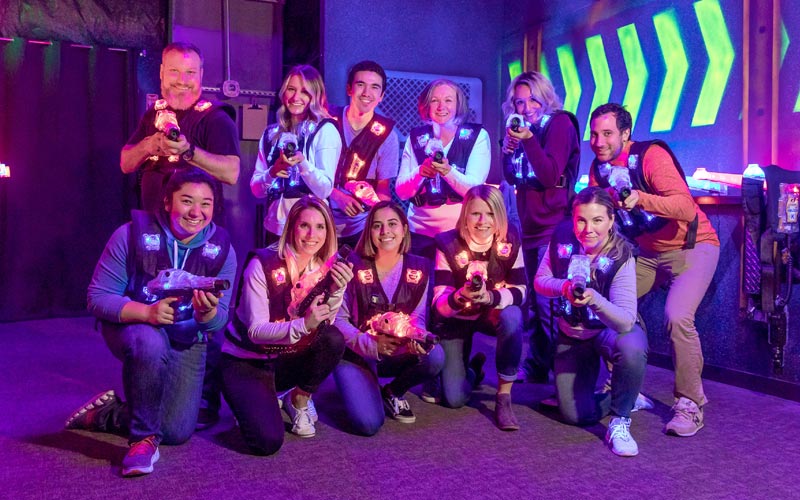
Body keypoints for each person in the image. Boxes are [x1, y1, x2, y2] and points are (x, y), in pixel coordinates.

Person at [66, 168, 237, 476]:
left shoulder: (223, 249)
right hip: (134, 327)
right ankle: (142, 440)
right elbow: (98, 297)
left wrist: (207, 315)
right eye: (187, 201)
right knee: (150, 340)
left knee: (175, 431)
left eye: (206, 204)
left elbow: (220, 318)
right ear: (168, 202)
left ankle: (110, 414)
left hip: (187, 336)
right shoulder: (130, 234)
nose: (196, 212)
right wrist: (146, 313)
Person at [588, 103, 720, 437]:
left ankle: (690, 405)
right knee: (605, 305)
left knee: (677, 316)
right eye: (594, 134)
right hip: (647, 253)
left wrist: (640, 199)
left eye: (607, 134)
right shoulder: (598, 170)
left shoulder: (650, 157)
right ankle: (626, 386)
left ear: (625, 134)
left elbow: (685, 207)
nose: (598, 141)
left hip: (693, 247)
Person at [221, 196, 353, 455]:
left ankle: (298, 397)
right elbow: (256, 332)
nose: (312, 235)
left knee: (333, 339)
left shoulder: (325, 266)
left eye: (321, 227)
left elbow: (325, 324)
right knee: (267, 442)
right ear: (291, 227)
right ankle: (249, 397)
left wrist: (337, 290)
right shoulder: (262, 264)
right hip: (248, 358)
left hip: (285, 356)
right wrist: (304, 324)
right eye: (304, 225)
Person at [535, 187, 648, 457]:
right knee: (575, 415)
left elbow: (624, 320)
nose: (588, 229)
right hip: (572, 333)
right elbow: (540, 282)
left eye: (597, 220)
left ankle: (620, 420)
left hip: (607, 332)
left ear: (611, 221)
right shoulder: (562, 236)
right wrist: (563, 287)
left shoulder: (621, 254)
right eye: (581, 220)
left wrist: (594, 298)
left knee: (632, 343)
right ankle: (627, 395)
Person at [332, 201, 444, 435]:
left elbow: (417, 317)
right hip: (356, 353)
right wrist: (371, 345)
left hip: (395, 351)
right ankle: (361, 387)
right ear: (369, 231)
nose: (385, 232)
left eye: (392, 224)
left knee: (435, 356)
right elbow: (338, 321)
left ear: (404, 229)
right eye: (377, 226)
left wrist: (415, 339)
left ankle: (392, 392)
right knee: (369, 424)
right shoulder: (350, 264)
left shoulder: (420, 267)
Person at [501, 71, 581, 383]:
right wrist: (508, 149)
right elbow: (511, 176)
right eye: (519, 102)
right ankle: (538, 365)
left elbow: (549, 175)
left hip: (555, 223)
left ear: (546, 97)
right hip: (530, 224)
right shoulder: (523, 129)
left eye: (533, 99)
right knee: (537, 300)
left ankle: (561, 371)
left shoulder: (559, 123)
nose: (526, 107)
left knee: (551, 302)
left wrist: (528, 140)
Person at [430, 185, 525, 431]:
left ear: (500, 216)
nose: (483, 221)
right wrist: (460, 296)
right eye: (475, 214)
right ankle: (472, 371)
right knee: (454, 399)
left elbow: (522, 291)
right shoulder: (447, 243)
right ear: (465, 215)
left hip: (491, 313)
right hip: (457, 318)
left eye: (490, 214)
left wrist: (491, 297)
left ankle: (504, 396)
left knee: (513, 316)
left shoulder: (511, 240)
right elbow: (439, 302)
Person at [120, 42, 240, 212]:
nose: (182, 80)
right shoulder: (154, 113)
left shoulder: (215, 117)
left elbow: (231, 173)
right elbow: (125, 163)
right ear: (162, 72)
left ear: (201, 74)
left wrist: (187, 151)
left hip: (193, 232)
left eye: (190, 72)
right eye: (174, 71)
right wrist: (148, 146)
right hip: (152, 225)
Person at [395, 79, 490, 261]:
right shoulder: (416, 137)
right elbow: (401, 191)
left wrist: (447, 171)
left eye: (448, 100)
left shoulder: (477, 136)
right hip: (419, 233)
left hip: (460, 234)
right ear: (427, 105)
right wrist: (419, 173)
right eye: (435, 100)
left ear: (458, 104)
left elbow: (475, 190)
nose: (441, 106)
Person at [251, 65, 342, 243]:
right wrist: (272, 173)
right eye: (291, 89)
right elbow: (256, 190)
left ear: (315, 96)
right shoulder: (271, 134)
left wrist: (302, 163)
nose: (295, 97)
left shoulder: (325, 130)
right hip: (275, 227)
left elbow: (324, 189)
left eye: (304, 92)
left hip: (311, 230)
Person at [329, 61, 399, 248]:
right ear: (349, 89)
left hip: (360, 227)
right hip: (319, 220)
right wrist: (336, 195)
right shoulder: (327, 120)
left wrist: (380, 218)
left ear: (382, 96)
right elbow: (309, 172)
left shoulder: (386, 135)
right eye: (361, 85)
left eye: (374, 87)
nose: (367, 93)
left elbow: (383, 189)